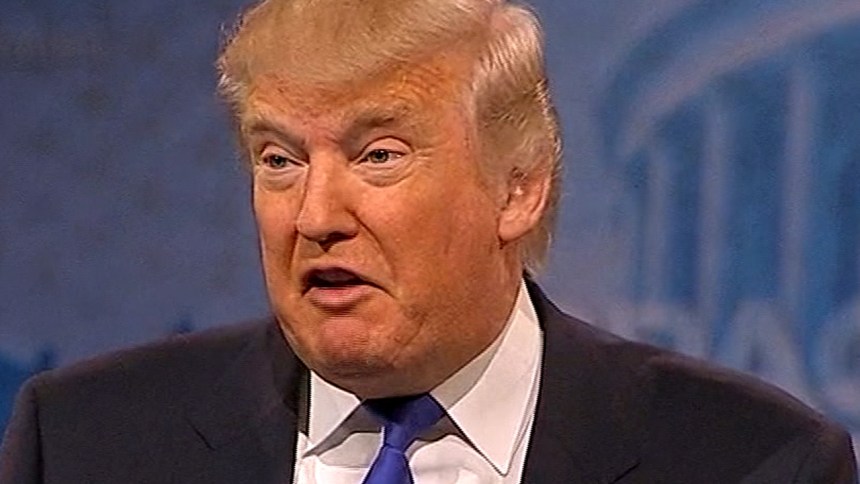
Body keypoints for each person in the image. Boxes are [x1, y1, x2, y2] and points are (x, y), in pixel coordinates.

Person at [1, 0, 856, 482]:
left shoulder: (752, 463)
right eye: (279, 159)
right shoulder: (83, 445)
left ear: (518, 188)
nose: (315, 215)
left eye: (378, 154)